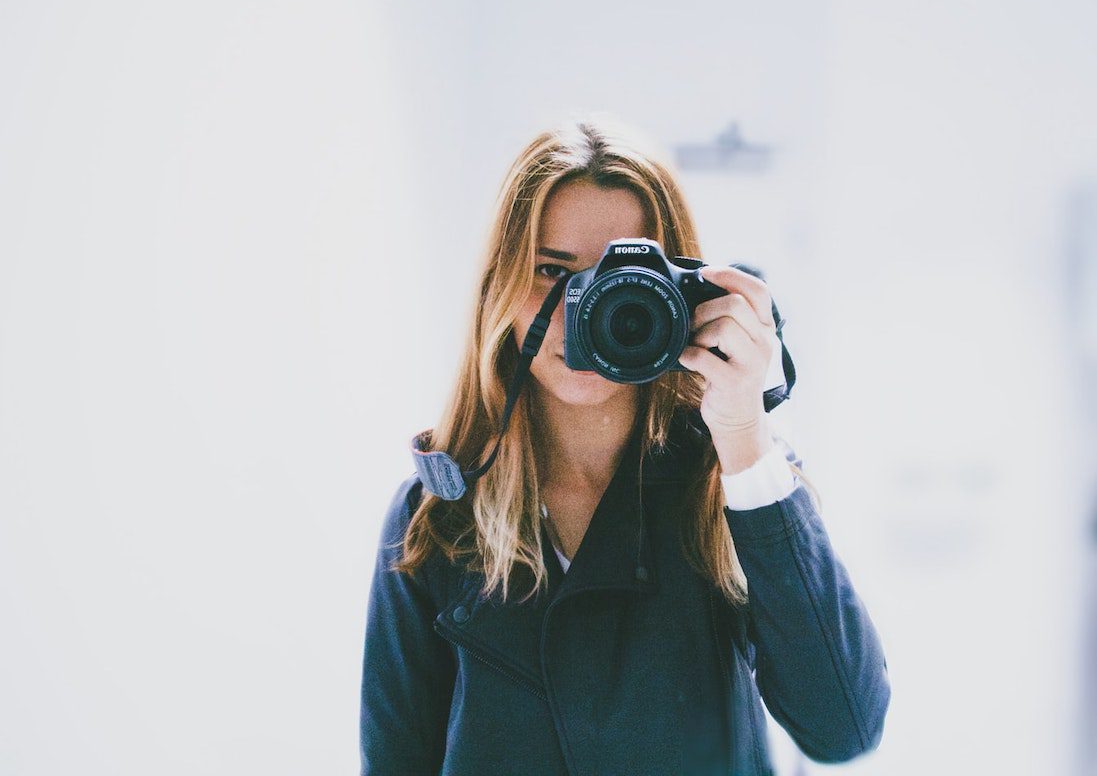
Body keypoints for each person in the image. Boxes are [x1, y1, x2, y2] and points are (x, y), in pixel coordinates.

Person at [360, 115, 890, 775]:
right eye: (553, 271)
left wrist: (743, 436)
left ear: (680, 291)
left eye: (616, 280)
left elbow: (843, 726)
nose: (582, 307)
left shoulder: (731, 478)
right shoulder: (437, 514)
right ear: (500, 286)